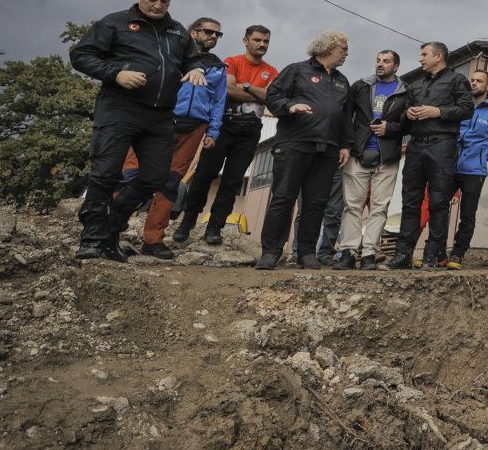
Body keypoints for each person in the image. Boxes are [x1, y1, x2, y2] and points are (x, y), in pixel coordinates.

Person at [69, 0, 209, 262]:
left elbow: (192, 58)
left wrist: (197, 69)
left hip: (160, 115)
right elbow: (81, 55)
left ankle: (111, 229)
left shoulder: (177, 31)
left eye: (164, 0)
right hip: (120, 107)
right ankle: (93, 239)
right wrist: (116, 73)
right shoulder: (115, 22)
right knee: (106, 173)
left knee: (155, 177)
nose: (158, 5)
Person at [117, 17, 227, 258]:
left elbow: (218, 102)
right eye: (208, 32)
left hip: (195, 128)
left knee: (170, 183)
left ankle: (153, 240)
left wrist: (213, 131)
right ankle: (108, 230)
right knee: (131, 174)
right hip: (159, 121)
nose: (213, 37)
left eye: (218, 34)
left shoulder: (218, 67)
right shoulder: (170, 54)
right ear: (192, 33)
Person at [256, 30, 351, 270]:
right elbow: (272, 96)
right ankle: (271, 252)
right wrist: (290, 106)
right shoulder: (297, 70)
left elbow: (345, 117)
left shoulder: (342, 81)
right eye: (343, 48)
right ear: (329, 48)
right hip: (294, 144)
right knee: (283, 198)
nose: (346, 53)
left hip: (327, 150)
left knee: (316, 202)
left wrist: (345, 145)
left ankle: (307, 253)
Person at [174, 25, 277, 245]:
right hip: (224, 124)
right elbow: (228, 90)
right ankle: (188, 221)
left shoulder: (272, 70)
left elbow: (271, 97)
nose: (262, 45)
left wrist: (246, 86)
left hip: (250, 131)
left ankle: (215, 227)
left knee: (232, 180)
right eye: (257, 40)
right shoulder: (232, 61)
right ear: (245, 40)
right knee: (203, 174)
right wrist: (256, 92)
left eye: (266, 41)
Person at [387, 41, 471, 270]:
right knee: (411, 202)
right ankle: (402, 255)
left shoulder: (457, 80)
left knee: (438, 202)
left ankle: (431, 256)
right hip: (415, 147)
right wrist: (409, 114)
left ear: (438, 56)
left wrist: (439, 112)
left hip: (442, 146)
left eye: (424, 55)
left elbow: (467, 109)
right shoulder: (415, 85)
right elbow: (402, 117)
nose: (420, 59)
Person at [333, 50, 408, 270]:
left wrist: (390, 128)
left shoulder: (405, 92)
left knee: (379, 207)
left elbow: (408, 124)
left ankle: (368, 255)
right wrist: (346, 145)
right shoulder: (360, 86)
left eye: (386, 61)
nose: (380, 64)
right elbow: (347, 117)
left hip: (388, 157)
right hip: (358, 153)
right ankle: (348, 252)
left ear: (396, 66)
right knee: (352, 205)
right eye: (378, 60)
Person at [445, 68, 488, 269]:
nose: (473, 83)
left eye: (479, 81)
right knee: (439, 207)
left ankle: (457, 254)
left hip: (475, 170)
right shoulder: (460, 106)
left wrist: (485, 155)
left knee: (467, 213)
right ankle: (437, 251)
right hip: (450, 165)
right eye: (472, 80)